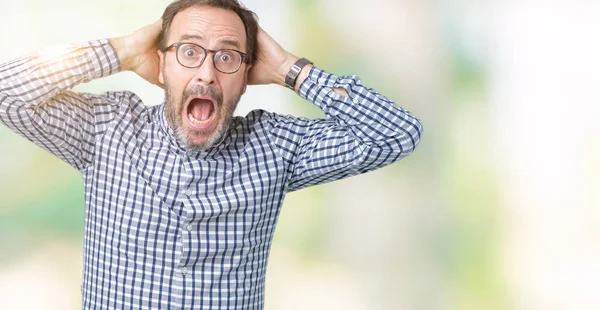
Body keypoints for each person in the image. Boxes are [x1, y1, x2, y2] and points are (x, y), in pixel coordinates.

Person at [0, 0, 423, 308]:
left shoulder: (275, 147)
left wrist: (292, 71)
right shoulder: (105, 128)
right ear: (161, 67)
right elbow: (7, 94)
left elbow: (396, 134)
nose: (206, 72)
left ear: (248, 77)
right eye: (189, 51)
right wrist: (121, 50)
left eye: (227, 57)